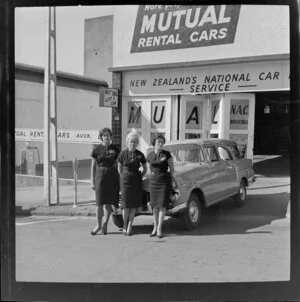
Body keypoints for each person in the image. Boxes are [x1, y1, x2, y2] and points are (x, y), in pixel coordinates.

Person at [90, 127, 120, 235]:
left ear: (111, 137)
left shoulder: (115, 149)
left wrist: (119, 178)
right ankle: (98, 225)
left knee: (108, 203)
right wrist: (92, 180)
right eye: (104, 135)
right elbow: (93, 166)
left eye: (108, 135)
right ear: (101, 137)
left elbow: (118, 164)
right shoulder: (96, 149)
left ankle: (105, 223)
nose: (106, 137)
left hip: (111, 177)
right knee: (99, 203)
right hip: (100, 176)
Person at [117, 132, 147, 236]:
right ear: (127, 142)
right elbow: (119, 168)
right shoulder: (122, 153)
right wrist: (123, 177)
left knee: (133, 206)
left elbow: (145, 169)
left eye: (135, 142)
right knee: (126, 206)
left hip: (136, 183)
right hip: (125, 182)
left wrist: (139, 177)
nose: (132, 143)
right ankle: (125, 225)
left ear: (137, 143)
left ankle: (130, 225)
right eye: (131, 141)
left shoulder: (140, 154)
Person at [147, 134, 174, 239]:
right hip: (154, 182)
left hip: (164, 181)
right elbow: (150, 169)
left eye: (162, 142)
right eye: (158, 142)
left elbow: (172, 168)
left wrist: (170, 180)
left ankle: (159, 228)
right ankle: (154, 227)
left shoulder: (167, 154)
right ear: (155, 142)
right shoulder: (149, 155)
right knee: (154, 207)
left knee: (162, 206)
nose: (160, 144)